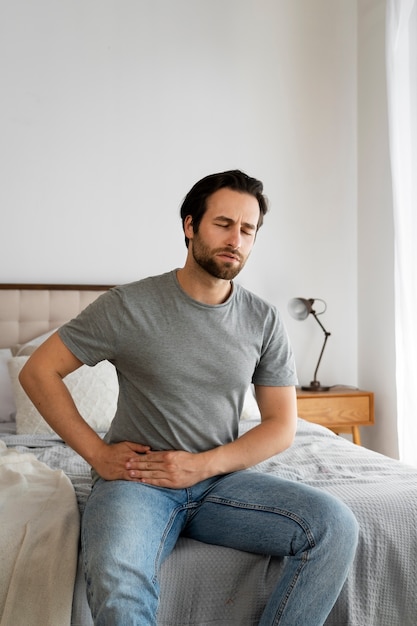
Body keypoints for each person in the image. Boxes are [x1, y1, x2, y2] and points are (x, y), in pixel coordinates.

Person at [19, 170, 358, 626]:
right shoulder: (128, 306)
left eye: (247, 229)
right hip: (139, 481)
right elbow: (39, 370)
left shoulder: (264, 320)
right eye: (222, 223)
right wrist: (98, 453)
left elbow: (281, 426)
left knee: (335, 527)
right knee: (117, 575)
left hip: (221, 481)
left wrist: (202, 466)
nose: (234, 238)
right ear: (190, 225)